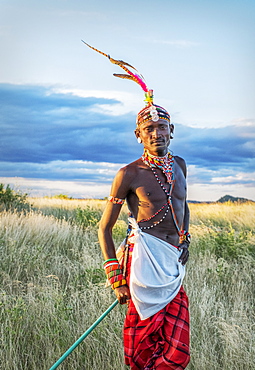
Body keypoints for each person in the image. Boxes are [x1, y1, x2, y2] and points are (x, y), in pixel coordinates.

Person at [84, 42, 190, 369]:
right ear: (138, 135)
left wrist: (185, 238)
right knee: (144, 345)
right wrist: (114, 275)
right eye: (149, 129)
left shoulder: (182, 165)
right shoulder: (129, 173)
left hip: (172, 262)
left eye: (161, 127)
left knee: (177, 351)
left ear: (171, 131)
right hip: (142, 262)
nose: (156, 133)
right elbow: (104, 227)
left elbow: (183, 207)